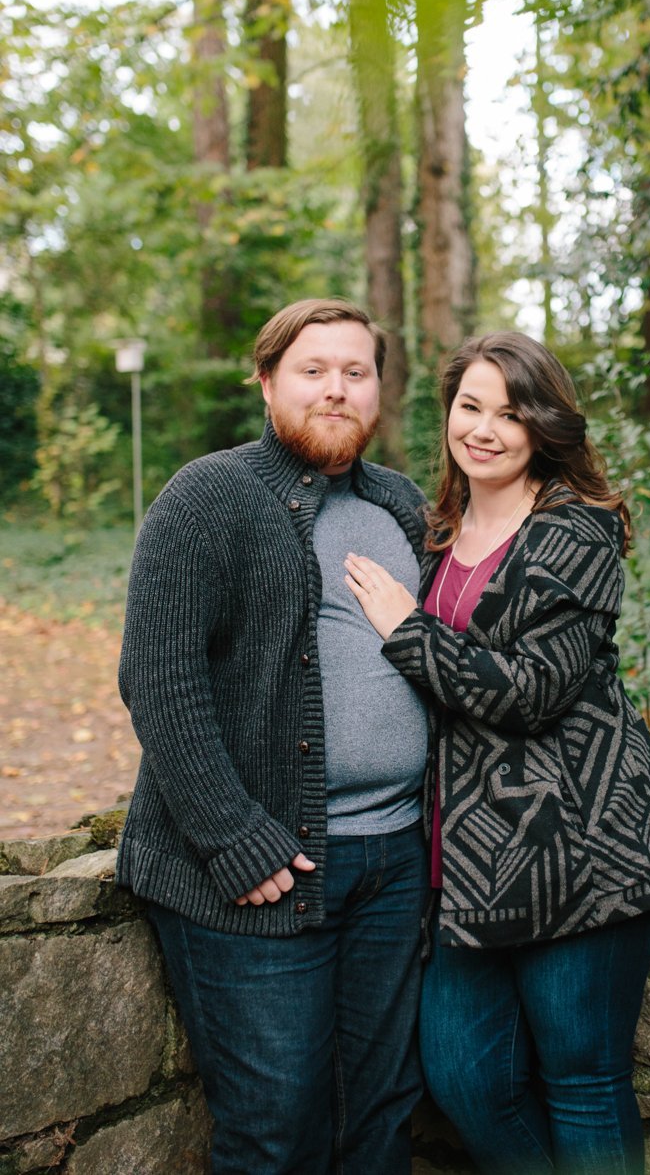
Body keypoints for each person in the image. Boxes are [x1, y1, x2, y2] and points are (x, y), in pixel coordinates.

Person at [344, 331, 650, 1175]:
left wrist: (407, 628)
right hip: (468, 867)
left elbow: (528, 691)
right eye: (469, 407)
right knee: (464, 1078)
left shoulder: (575, 532)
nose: (483, 429)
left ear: (543, 426)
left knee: (583, 1082)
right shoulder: (432, 530)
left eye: (510, 414)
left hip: (579, 853)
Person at [116, 298, 430, 1175]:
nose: (337, 390)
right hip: (260, 871)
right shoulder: (208, 496)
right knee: (275, 1131)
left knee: (380, 1116)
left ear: (379, 389)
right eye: (313, 370)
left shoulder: (402, 505)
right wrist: (232, 837)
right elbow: (159, 678)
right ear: (266, 383)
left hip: (394, 867)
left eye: (356, 372)